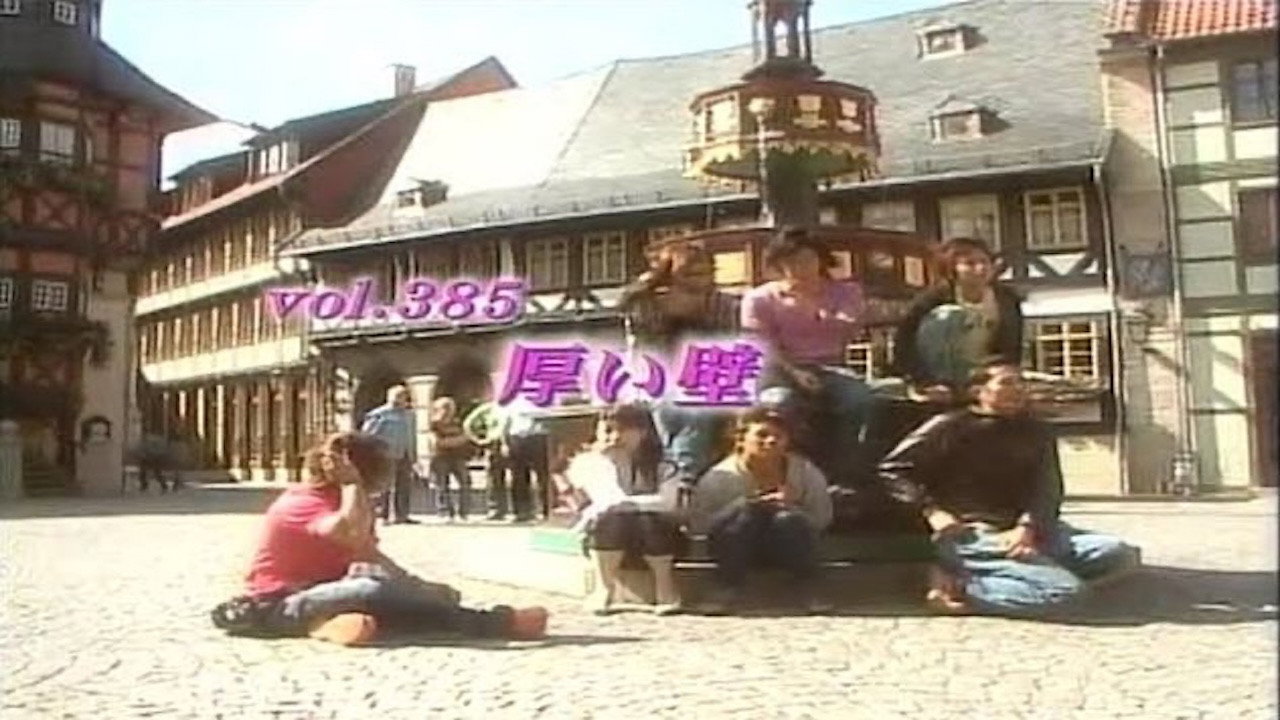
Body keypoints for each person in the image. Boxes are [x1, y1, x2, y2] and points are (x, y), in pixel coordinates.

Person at [217, 431, 548, 645]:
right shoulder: (303, 502)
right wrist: (350, 483)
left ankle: (327, 625)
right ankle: (500, 623)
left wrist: (420, 587)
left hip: (323, 591)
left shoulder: (351, 500)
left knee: (396, 597)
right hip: (278, 604)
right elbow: (348, 534)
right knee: (370, 590)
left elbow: (368, 554)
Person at [878, 360, 1141, 616]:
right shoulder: (949, 426)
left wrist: (1028, 527)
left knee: (1119, 554)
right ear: (978, 391)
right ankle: (959, 586)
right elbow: (892, 470)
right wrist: (932, 511)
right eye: (1006, 382)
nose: (1018, 389)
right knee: (1066, 594)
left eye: (1021, 382)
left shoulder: (1036, 430)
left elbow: (1048, 487)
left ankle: (1019, 573)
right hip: (976, 533)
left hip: (1032, 532)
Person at [740, 227, 874, 485]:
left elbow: (849, 325)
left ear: (821, 260)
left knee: (859, 398)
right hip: (781, 369)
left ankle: (845, 470)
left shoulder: (845, 292)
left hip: (831, 366)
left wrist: (812, 304)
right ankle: (789, 471)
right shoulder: (760, 298)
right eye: (791, 262)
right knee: (779, 402)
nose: (800, 268)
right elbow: (761, 344)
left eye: (807, 260)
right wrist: (794, 372)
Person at [687, 407, 833, 614]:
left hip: (786, 543)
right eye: (762, 435)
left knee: (789, 519)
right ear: (741, 440)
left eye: (778, 436)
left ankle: (807, 588)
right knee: (745, 513)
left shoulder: (804, 472)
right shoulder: (719, 477)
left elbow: (822, 517)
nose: (771, 441)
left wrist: (792, 506)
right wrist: (746, 506)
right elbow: (700, 525)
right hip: (736, 546)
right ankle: (725, 588)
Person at [619, 236, 740, 487]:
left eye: (705, 273)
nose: (700, 280)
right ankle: (680, 478)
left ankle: (682, 477)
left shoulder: (723, 303)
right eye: (690, 274)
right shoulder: (648, 304)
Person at [564, 405, 685, 616]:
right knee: (611, 518)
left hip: (656, 538)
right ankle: (604, 588)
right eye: (608, 431)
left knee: (649, 518)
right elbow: (606, 500)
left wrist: (631, 506)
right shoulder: (588, 463)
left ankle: (665, 589)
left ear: (643, 432)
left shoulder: (664, 465)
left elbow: (668, 503)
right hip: (607, 538)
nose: (615, 437)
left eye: (623, 430)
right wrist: (611, 464)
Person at [892, 237, 1024, 405]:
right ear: (952, 269)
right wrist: (922, 379)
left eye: (984, 262)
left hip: (986, 371)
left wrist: (1005, 372)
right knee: (951, 315)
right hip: (938, 375)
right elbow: (904, 340)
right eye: (970, 264)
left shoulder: (1006, 298)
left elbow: (1013, 344)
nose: (980, 268)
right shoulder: (933, 299)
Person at [463, 394, 552, 522]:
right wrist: (503, 443)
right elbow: (504, 424)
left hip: (538, 438)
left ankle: (547, 510)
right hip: (516, 438)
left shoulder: (543, 401)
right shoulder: (510, 402)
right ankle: (521, 512)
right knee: (518, 477)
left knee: (543, 476)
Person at [360, 385, 419, 524]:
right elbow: (367, 435)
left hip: (405, 454)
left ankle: (402, 515)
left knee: (404, 486)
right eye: (396, 396)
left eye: (402, 396)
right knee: (385, 486)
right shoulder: (379, 414)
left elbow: (412, 436)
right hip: (387, 454)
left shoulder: (410, 415)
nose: (399, 399)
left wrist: (414, 454)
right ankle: (383, 514)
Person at [428, 397, 474, 521]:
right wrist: (457, 440)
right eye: (445, 407)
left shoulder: (458, 422)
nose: (449, 410)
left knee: (465, 483)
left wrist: (453, 441)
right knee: (442, 485)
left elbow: (468, 437)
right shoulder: (434, 424)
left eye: (450, 407)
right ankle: (445, 512)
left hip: (458, 457)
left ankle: (464, 512)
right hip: (440, 457)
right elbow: (437, 442)